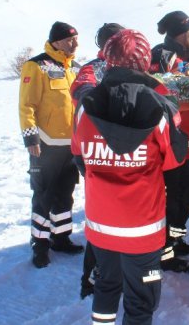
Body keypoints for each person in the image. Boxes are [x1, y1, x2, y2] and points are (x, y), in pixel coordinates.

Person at [72, 29, 188, 324]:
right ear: (144, 61)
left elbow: (80, 157)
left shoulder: (85, 107)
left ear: (108, 60)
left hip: (101, 223)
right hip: (142, 227)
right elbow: (174, 161)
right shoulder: (159, 106)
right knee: (141, 300)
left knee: (107, 286)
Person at [18, 21, 84, 268]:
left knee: (65, 195)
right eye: (70, 40)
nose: (75, 44)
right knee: (44, 196)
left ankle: (61, 238)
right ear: (56, 42)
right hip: (45, 146)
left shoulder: (74, 68)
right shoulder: (36, 66)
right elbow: (26, 105)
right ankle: (40, 244)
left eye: (76, 39)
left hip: (71, 145)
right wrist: (31, 138)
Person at [70, 22, 124, 299]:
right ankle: (91, 278)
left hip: (122, 148)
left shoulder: (130, 64)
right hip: (95, 149)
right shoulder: (93, 68)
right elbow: (81, 91)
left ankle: (120, 268)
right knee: (103, 215)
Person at [150, 10, 189, 273]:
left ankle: (175, 239)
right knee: (173, 197)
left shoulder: (188, 57)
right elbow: (159, 92)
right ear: (183, 32)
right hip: (167, 139)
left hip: (181, 140)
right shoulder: (163, 55)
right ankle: (165, 252)